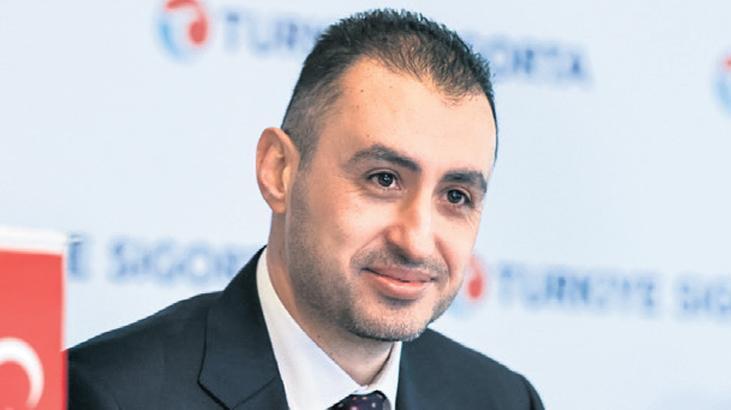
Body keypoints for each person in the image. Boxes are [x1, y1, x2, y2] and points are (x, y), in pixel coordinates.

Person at [69, 9, 544, 410]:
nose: (416, 241)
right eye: (383, 179)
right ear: (279, 171)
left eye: (456, 196)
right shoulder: (106, 394)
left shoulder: (504, 401)